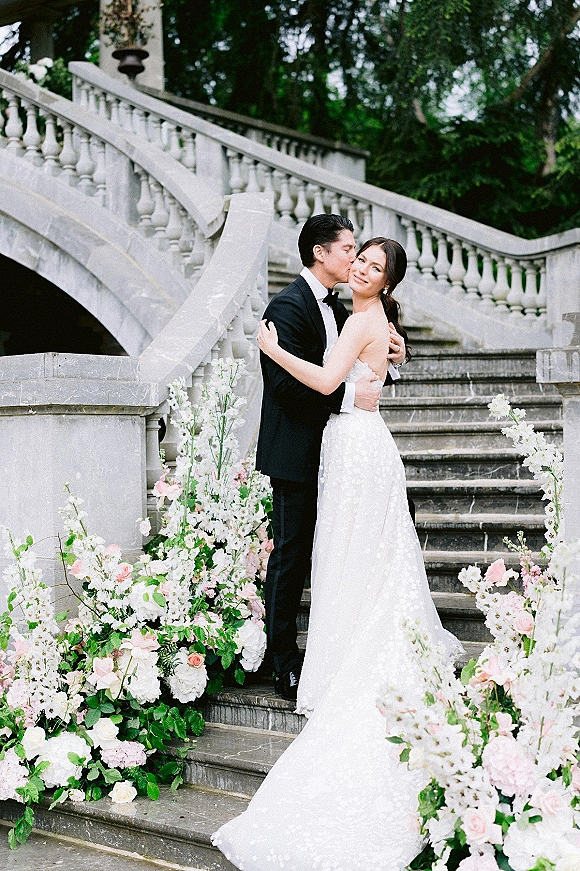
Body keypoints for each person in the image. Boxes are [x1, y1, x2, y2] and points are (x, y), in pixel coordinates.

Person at [211, 237, 462, 870]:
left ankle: (352, 650)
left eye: (374, 265)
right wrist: (388, 354)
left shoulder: (361, 317)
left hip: (354, 443)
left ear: (385, 281)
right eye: (360, 258)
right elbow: (367, 368)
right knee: (353, 555)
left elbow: (326, 379)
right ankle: (351, 637)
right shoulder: (371, 320)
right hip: (357, 441)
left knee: (348, 554)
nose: (362, 267)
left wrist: (272, 350)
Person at [255, 214, 407, 702]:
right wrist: (347, 399)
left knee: (341, 550)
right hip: (297, 450)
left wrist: (395, 356)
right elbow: (285, 387)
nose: (354, 259)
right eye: (348, 250)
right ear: (320, 253)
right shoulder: (287, 306)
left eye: (363, 256)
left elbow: (360, 355)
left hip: (340, 452)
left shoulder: (343, 308)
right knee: (291, 554)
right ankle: (283, 663)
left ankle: (342, 647)